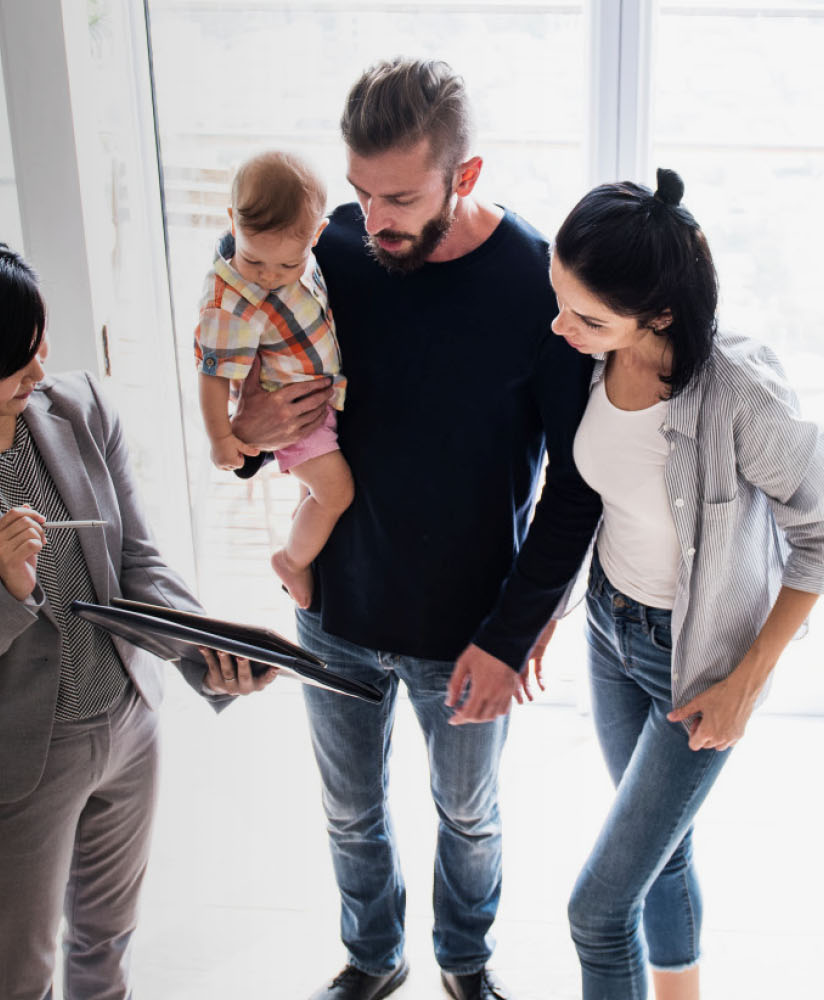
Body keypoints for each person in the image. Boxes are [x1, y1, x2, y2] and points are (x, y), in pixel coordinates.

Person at [230, 58, 602, 1000]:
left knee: (468, 817)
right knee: (351, 811)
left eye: (397, 198)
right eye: (358, 192)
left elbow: (577, 487)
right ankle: (372, 956)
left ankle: (465, 963)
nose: (370, 219)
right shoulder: (332, 250)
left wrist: (512, 635)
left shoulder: (533, 282)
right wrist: (244, 435)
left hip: (468, 630)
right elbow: (243, 361)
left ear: (464, 176)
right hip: (337, 613)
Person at [0, 228, 272, 999]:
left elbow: (136, 563)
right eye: (15, 356)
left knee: (107, 949)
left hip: (129, 729)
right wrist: (7, 591)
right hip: (10, 770)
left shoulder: (79, 408)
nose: (39, 369)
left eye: (40, 343)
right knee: (19, 972)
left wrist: (206, 654)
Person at [550, 169, 824, 1000]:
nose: (561, 328)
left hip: (695, 662)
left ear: (660, 313)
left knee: (597, 911)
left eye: (588, 317)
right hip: (609, 628)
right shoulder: (590, 358)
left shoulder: (741, 394)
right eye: (559, 299)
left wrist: (747, 682)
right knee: (661, 858)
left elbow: (819, 535)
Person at [194, 149, 353, 607]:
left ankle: (301, 543)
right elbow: (212, 375)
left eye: (287, 266)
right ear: (231, 223)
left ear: (316, 235)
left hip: (319, 404)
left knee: (313, 491)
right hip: (292, 416)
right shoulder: (232, 300)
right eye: (254, 260)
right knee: (336, 493)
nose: (268, 277)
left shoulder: (304, 248)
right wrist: (222, 437)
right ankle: (291, 561)